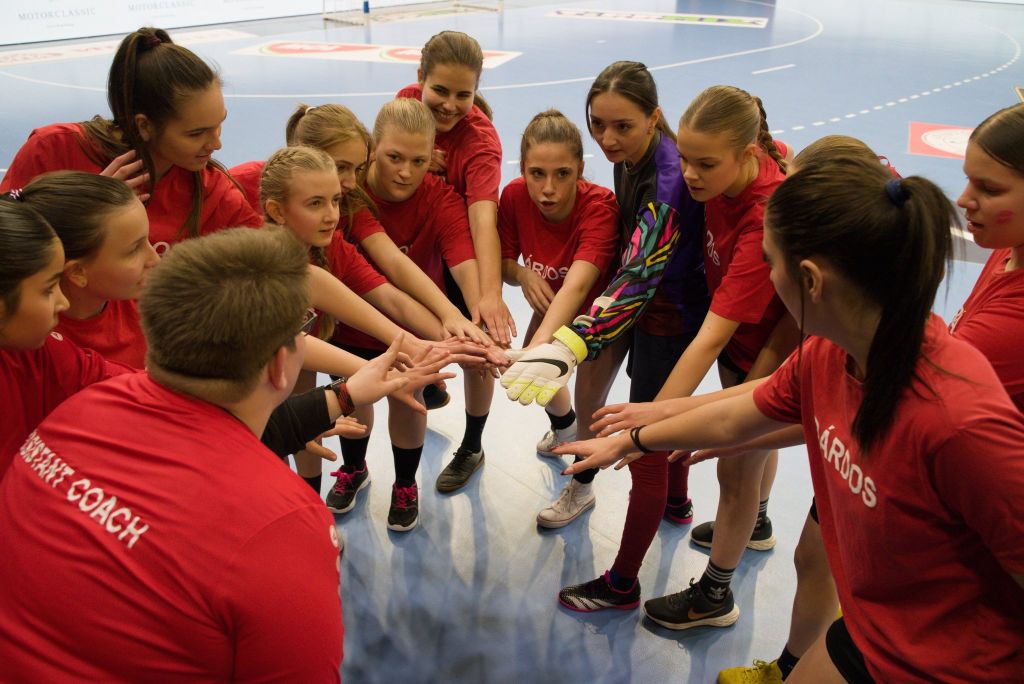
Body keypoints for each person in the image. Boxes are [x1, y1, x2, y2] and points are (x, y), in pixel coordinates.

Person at [557, 155, 1024, 682]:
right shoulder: (831, 352)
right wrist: (636, 436)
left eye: (769, 262)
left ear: (811, 280)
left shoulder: (961, 422)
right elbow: (739, 416)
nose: (767, 276)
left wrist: (641, 433)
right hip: (875, 628)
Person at [0, 227, 349, 679]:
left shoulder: (75, 409)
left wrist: (347, 393)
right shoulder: (286, 526)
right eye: (303, 327)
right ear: (279, 364)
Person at [502, 61, 710, 609]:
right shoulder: (632, 157)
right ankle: (677, 502)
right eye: (598, 123)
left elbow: (640, 276)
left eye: (623, 125)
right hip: (642, 305)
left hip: (669, 315)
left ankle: (622, 585)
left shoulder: (666, 184)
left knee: (645, 439)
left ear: (654, 118)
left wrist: (567, 344)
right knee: (658, 417)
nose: (608, 138)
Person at [0, 27, 260, 255]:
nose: (216, 144)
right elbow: (7, 244)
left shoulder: (211, 191)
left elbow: (269, 260)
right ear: (144, 125)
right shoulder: (55, 149)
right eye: (196, 133)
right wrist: (84, 215)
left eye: (219, 124)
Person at [351, 97, 498, 495]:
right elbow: (393, 266)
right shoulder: (351, 193)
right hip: (357, 325)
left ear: (433, 156)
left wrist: (476, 320)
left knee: (417, 395)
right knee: (353, 399)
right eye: (394, 157)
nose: (405, 172)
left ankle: (467, 448)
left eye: (418, 161)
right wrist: (452, 317)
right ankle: (352, 468)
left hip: (418, 330)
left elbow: (463, 261)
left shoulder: (440, 198)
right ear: (373, 148)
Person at [497, 109, 620, 527]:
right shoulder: (514, 196)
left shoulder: (599, 207)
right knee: (546, 386)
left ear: (580, 170)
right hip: (552, 309)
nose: (548, 188)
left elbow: (578, 286)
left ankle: (582, 488)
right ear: (523, 169)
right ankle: (565, 430)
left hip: (599, 321)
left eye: (562, 174)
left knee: (590, 403)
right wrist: (522, 273)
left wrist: (539, 347)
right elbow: (502, 263)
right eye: (537, 173)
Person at [396, 30, 515, 347]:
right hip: (412, 241)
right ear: (421, 77)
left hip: (459, 250)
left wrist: (491, 294)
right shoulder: (407, 102)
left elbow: (483, 221)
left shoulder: (480, 144)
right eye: (440, 90)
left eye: (463, 95)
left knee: (478, 334)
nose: (449, 105)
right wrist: (419, 159)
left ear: (476, 90)